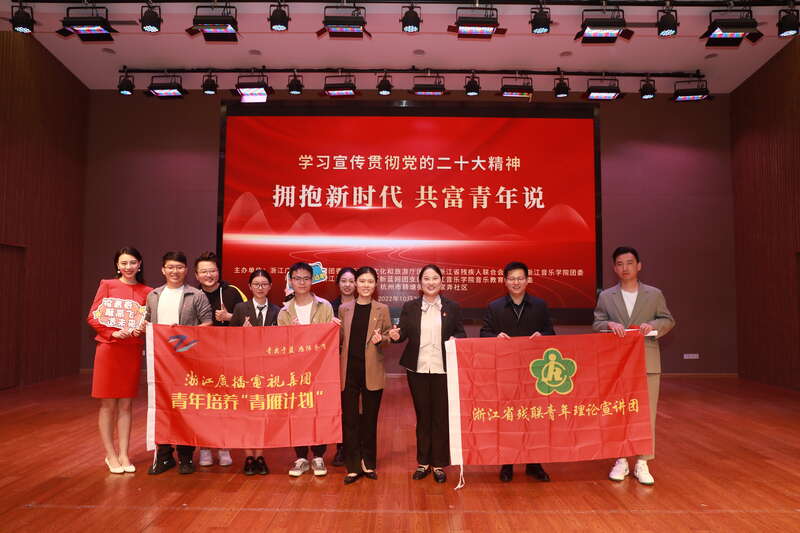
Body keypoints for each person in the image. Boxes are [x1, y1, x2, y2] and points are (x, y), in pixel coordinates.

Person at [593, 246, 675, 485]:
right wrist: (608, 325)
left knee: (646, 413)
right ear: (614, 268)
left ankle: (642, 462)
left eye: (629, 263)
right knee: (619, 411)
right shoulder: (606, 296)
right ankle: (620, 459)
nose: (625, 268)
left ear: (639, 266)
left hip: (647, 361)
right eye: (620, 264)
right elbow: (597, 323)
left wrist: (653, 325)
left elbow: (668, 319)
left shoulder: (654, 294)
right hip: (617, 364)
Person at [389, 264, 466, 483]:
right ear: (420, 283)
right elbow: (402, 333)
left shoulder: (452, 307)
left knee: (440, 417)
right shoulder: (410, 307)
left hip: (443, 369)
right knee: (423, 416)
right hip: (418, 369)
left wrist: (456, 339)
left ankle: (439, 463)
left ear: (441, 282)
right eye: (426, 279)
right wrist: (395, 335)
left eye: (434, 278)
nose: (431, 282)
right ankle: (423, 462)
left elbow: (460, 333)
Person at [479, 261, 555, 484]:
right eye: (511, 278)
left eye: (520, 278)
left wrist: (543, 336)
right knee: (509, 417)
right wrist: (495, 337)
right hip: (506, 371)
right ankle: (507, 463)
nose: (516, 282)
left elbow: (551, 332)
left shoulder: (540, 305)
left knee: (534, 417)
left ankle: (534, 463)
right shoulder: (494, 307)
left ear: (527, 280)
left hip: (535, 372)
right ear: (505, 281)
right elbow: (484, 333)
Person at [146, 251, 213, 475]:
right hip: (160, 361)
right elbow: (148, 323)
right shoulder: (153, 295)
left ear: (186, 270)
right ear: (163, 270)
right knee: (162, 408)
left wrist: (184, 332)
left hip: (187, 361)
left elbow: (208, 323)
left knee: (186, 407)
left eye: (179, 267)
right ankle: (164, 456)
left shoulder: (196, 295)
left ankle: (186, 456)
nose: (174, 271)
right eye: (170, 267)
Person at [87, 247, 152, 474]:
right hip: (109, 348)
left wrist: (143, 328)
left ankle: (124, 453)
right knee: (108, 404)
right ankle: (110, 454)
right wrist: (112, 333)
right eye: (123, 263)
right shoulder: (107, 285)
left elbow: (149, 320)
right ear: (117, 265)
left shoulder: (148, 291)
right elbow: (93, 316)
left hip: (131, 350)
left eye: (132, 262)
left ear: (140, 264)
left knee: (126, 404)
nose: (128, 267)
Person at [277, 262, 335, 477]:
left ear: (312, 280)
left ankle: (318, 456)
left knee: (319, 411)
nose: (301, 282)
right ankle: (301, 457)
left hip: (320, 369)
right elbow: (282, 345)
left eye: (306, 278)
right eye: (297, 278)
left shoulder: (324, 306)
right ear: (290, 281)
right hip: (295, 371)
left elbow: (329, 339)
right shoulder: (284, 311)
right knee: (297, 412)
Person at [339, 266, 392, 485]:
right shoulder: (344, 309)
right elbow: (340, 340)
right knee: (349, 420)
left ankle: (368, 463)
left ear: (375, 284)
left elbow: (388, 335)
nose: (366, 285)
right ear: (355, 284)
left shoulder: (382, 309)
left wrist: (383, 339)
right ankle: (352, 466)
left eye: (370, 281)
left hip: (372, 371)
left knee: (370, 419)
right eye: (362, 281)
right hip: (348, 371)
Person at [194, 251, 246, 468]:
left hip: (228, 358)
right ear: (196, 275)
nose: (209, 275)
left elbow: (248, 320)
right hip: (199, 359)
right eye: (204, 272)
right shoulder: (192, 295)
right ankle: (205, 448)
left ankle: (224, 447)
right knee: (203, 405)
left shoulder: (233, 292)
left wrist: (229, 317)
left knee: (225, 405)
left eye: (212, 271)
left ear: (218, 272)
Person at [230, 269, 281, 476]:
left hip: (267, 370)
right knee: (246, 414)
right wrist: (242, 334)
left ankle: (260, 455)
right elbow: (229, 340)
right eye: (256, 284)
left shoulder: (278, 311)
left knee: (262, 414)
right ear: (250, 287)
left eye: (264, 284)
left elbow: (282, 341)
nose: (260, 288)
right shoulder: (240, 308)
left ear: (270, 287)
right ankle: (248, 456)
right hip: (244, 369)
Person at [329, 267, 356, 467]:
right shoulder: (329, 307)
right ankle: (341, 448)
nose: (347, 285)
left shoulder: (363, 305)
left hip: (357, 362)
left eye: (351, 281)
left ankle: (357, 447)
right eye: (343, 281)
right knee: (340, 408)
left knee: (356, 409)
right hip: (333, 364)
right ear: (338, 283)